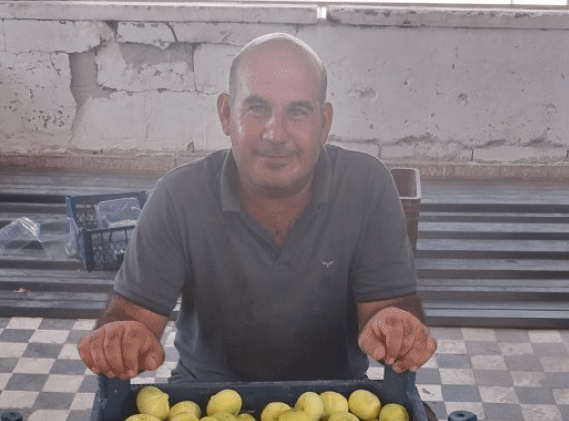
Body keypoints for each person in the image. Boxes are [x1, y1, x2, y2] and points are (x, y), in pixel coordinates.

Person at [77, 32, 436, 384]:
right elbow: (133, 317)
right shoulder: (178, 196)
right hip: (204, 404)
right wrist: (121, 337)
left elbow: (390, 308)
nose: (275, 134)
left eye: (297, 112)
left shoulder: (366, 187)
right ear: (225, 114)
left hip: (335, 407)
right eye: (257, 108)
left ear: (323, 123)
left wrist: (398, 326)